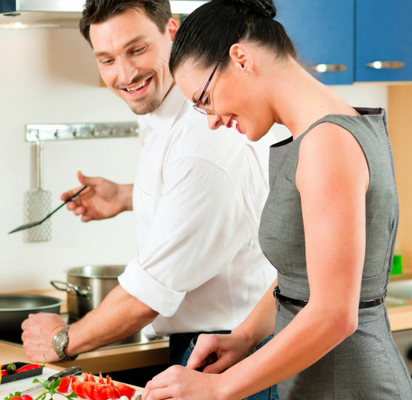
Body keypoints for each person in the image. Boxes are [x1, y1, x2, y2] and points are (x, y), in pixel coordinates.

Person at [140, 0, 412, 399]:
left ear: (241, 59)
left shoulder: (326, 143)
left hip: (350, 386)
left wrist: (218, 387)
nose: (212, 120)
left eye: (205, 99)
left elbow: (334, 315)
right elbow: (302, 276)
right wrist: (245, 335)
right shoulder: (324, 132)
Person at [21, 0, 276, 393]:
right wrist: (127, 196)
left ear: (172, 33)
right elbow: (206, 205)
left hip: (231, 352)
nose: (125, 74)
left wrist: (62, 340)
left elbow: (148, 294)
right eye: (107, 59)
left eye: (137, 50)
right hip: (207, 344)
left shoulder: (201, 136)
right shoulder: (167, 113)